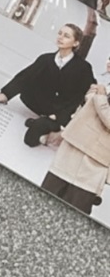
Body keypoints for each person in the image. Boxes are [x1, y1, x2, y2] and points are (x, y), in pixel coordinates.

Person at [0, 24, 95, 147]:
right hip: (43, 105)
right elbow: (24, 77)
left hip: (64, 113)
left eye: (66, 36)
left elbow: (81, 97)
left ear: (76, 43)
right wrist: (4, 95)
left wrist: (59, 116)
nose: (60, 37)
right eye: (60, 33)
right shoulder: (46, 59)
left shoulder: (83, 67)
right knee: (30, 75)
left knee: (31, 139)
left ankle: (45, 127)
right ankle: (39, 120)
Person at [40, 57, 110, 215]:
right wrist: (91, 96)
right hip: (71, 151)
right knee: (42, 203)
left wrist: (99, 97)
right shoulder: (104, 85)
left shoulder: (103, 90)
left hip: (93, 162)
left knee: (74, 212)